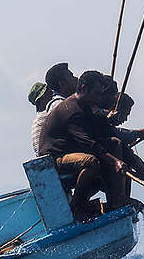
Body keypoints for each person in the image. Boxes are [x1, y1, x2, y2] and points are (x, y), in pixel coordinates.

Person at [38, 70, 127, 221]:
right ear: (83, 88)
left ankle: (119, 200)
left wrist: (109, 120)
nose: (99, 98)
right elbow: (88, 143)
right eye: (96, 93)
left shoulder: (85, 105)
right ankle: (77, 207)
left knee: (115, 144)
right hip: (55, 157)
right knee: (91, 162)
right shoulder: (71, 110)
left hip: (72, 151)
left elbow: (97, 127)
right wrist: (114, 161)